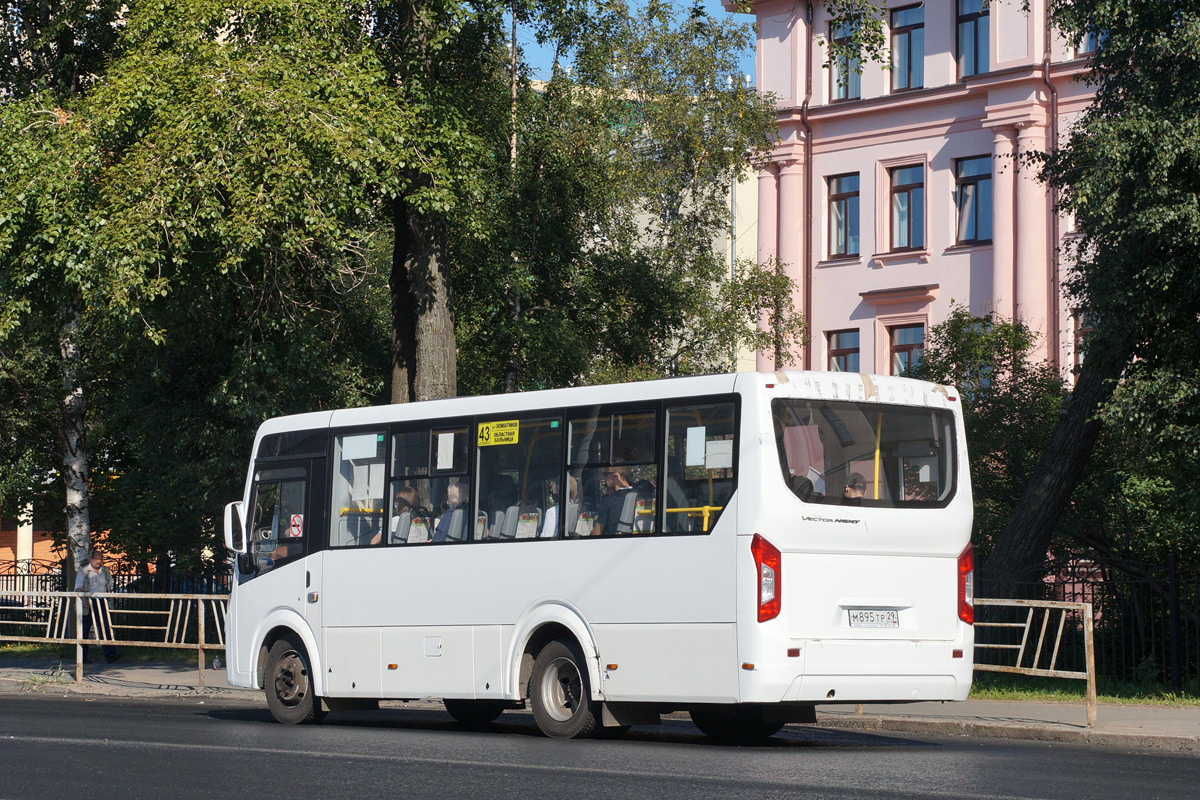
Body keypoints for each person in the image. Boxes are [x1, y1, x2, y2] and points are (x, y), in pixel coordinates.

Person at [74, 548, 119, 664]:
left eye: (101, 559)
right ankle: (82, 657)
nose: (100, 561)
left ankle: (110, 654)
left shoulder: (105, 571)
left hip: (102, 602)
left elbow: (109, 586)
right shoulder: (84, 571)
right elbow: (78, 587)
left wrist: (110, 598)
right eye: (97, 559)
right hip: (88, 603)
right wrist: (83, 600)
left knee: (105, 628)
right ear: (91, 559)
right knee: (84, 630)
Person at [592, 465, 634, 536]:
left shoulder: (608, 499)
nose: (604, 478)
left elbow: (597, 532)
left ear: (615, 475)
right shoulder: (637, 494)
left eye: (605, 474)